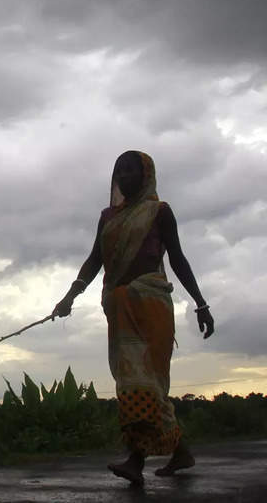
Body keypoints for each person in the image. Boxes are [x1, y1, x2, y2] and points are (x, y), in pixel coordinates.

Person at [52, 150, 215, 486]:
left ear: (146, 175)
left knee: (147, 385)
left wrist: (201, 304)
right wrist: (70, 295)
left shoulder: (160, 212)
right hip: (120, 310)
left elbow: (179, 261)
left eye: (130, 170)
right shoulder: (107, 217)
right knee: (135, 386)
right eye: (118, 171)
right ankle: (179, 451)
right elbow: (94, 259)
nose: (123, 176)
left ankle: (135, 461)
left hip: (152, 307)